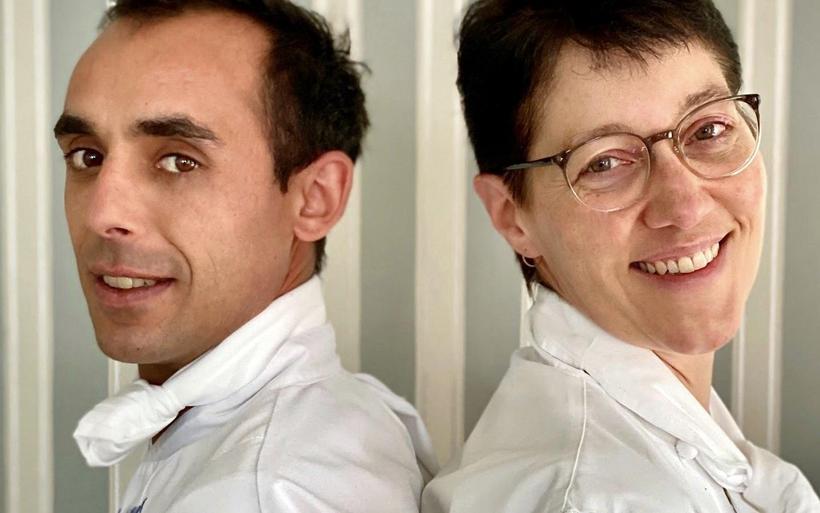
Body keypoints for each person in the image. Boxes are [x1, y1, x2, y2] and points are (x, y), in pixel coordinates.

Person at [422, 1, 819, 512]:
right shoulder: (588, 498)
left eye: (708, 130)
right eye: (605, 162)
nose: (686, 207)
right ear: (512, 217)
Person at [53, 1, 436, 511]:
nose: (103, 213)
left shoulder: (270, 491)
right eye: (87, 156)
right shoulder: (285, 441)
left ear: (315, 198)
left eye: (179, 161)